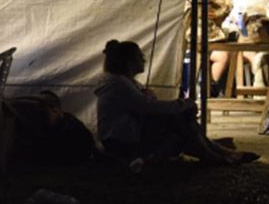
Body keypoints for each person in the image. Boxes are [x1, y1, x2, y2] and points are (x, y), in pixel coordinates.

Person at [95, 39, 259, 166]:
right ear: (129, 62)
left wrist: (180, 106)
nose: (144, 60)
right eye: (140, 57)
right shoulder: (118, 84)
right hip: (121, 141)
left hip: (128, 135)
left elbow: (148, 105)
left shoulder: (124, 82)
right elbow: (148, 107)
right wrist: (183, 105)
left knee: (181, 119)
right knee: (181, 121)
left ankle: (219, 153)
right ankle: (217, 155)